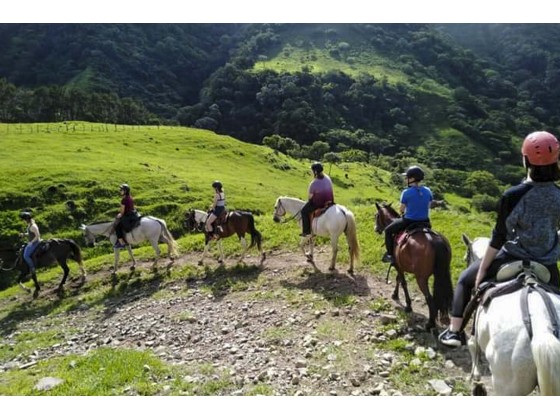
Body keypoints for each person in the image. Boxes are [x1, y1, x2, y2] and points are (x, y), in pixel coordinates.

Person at [439, 131, 560, 348]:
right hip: (548, 265)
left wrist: (483, 270)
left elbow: (498, 237)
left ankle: (455, 331)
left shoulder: (513, 195)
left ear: (526, 160)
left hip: (512, 257)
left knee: (465, 280)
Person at [382, 165, 432, 264]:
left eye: (407, 177)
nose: (405, 179)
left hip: (409, 221)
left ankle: (390, 255)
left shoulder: (406, 192)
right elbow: (428, 206)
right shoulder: (428, 191)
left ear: (412, 179)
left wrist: (405, 212)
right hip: (425, 221)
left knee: (388, 231)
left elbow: (401, 210)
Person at [300, 162, 334, 238]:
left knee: (304, 211)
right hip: (330, 202)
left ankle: (306, 231)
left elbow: (310, 197)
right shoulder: (327, 177)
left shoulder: (314, 183)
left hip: (319, 204)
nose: (311, 172)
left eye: (312, 170)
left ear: (315, 172)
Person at [114, 183, 136, 249]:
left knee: (117, 227)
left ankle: (122, 243)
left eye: (121, 190)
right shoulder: (130, 197)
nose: (120, 191)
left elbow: (122, 212)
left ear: (125, 191)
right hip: (133, 214)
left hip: (127, 215)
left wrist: (119, 215)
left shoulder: (124, 200)